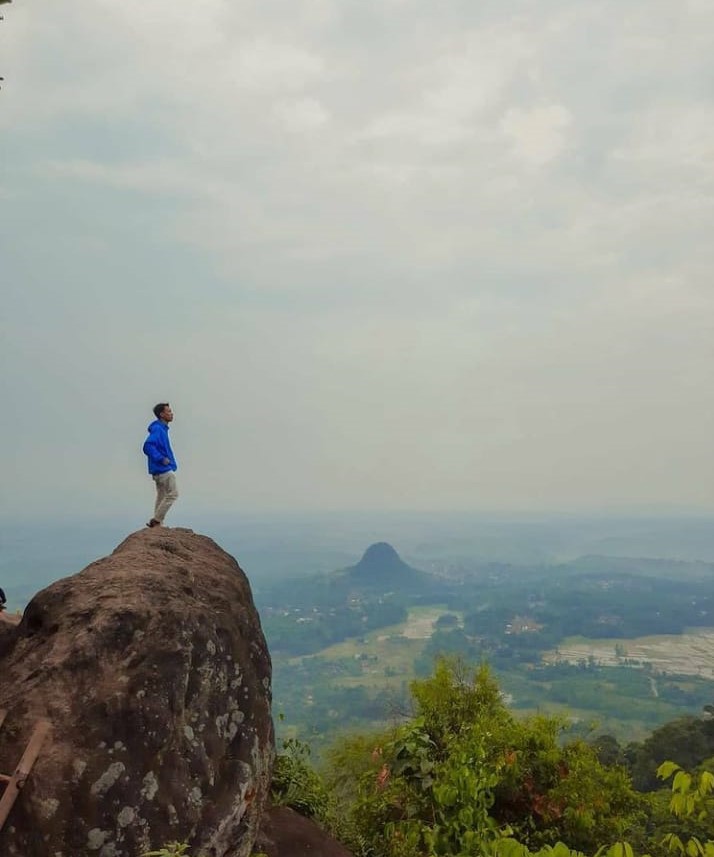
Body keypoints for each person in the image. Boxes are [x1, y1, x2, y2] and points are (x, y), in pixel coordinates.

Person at [143, 402, 179, 528]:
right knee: (173, 494)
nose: (171, 413)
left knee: (162, 495)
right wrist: (161, 458)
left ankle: (157, 523)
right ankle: (157, 520)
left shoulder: (161, 429)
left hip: (158, 469)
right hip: (162, 468)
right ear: (161, 414)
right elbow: (148, 446)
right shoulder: (158, 429)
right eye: (168, 411)